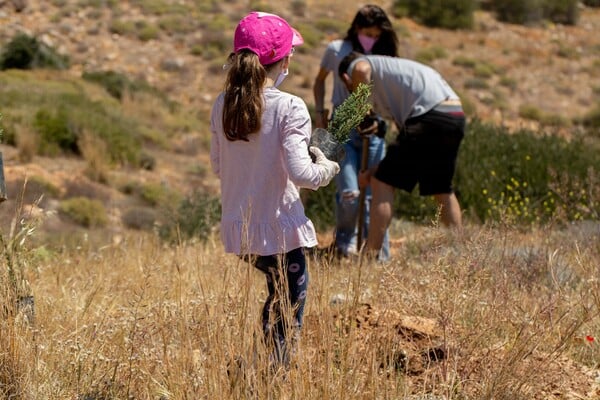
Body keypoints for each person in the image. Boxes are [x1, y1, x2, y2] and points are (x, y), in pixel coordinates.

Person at [210, 12, 340, 367]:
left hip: (242, 228)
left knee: (277, 292)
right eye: (291, 52)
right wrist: (327, 166)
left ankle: (257, 363)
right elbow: (302, 174)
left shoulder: (222, 105)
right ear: (281, 60)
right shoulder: (290, 106)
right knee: (289, 302)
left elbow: (218, 166)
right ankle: (268, 373)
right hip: (279, 230)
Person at [338, 52, 466, 256]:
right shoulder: (390, 78)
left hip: (428, 116)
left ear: (346, 79)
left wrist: (361, 111)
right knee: (441, 188)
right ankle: (463, 255)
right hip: (454, 115)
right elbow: (406, 149)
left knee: (382, 182)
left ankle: (371, 256)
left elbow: (361, 70)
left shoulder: (358, 66)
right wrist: (372, 171)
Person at [313, 4, 399, 260]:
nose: (371, 39)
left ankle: (374, 251)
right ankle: (344, 245)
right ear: (357, 29)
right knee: (349, 193)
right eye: (367, 33)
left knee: (373, 195)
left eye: (376, 34)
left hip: (375, 129)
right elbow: (319, 81)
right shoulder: (337, 50)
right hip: (341, 126)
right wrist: (320, 114)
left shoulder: (384, 56)